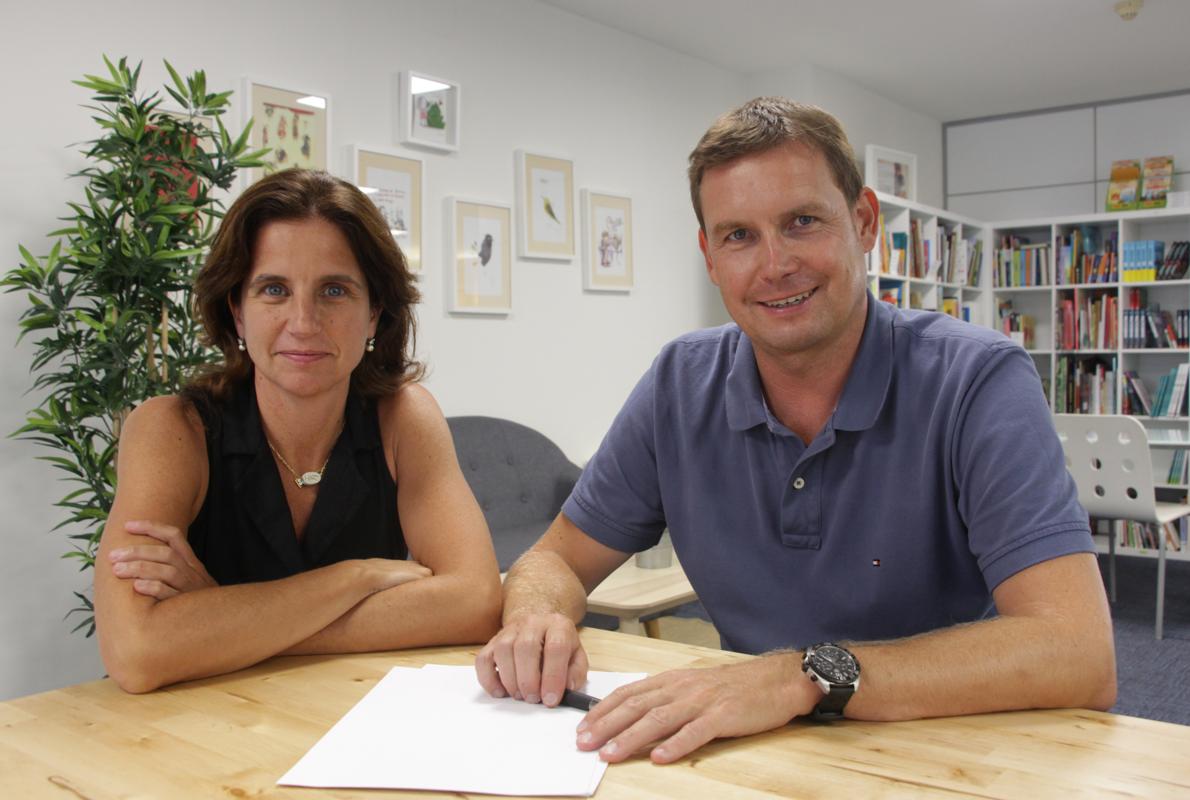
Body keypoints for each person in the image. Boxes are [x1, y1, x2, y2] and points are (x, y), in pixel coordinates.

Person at [476, 97, 1116, 763]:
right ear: (709, 254)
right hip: (753, 753)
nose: (774, 264)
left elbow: (1076, 649)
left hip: (945, 750)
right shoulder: (677, 383)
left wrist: (803, 676)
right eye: (738, 236)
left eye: (802, 222)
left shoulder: (979, 380)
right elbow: (552, 560)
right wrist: (534, 621)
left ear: (864, 222)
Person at [96, 169, 502, 693]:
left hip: (347, 717)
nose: (304, 322)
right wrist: (353, 579)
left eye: (334, 290)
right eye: (273, 290)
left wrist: (221, 617)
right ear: (237, 312)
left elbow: (475, 602)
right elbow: (137, 650)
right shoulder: (172, 430)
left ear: (375, 313)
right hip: (192, 735)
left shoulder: (403, 419)